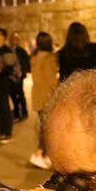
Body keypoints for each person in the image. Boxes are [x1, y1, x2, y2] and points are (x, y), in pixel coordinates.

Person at [28, 31, 59, 169]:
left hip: (37, 95)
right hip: (48, 96)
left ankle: (45, 155)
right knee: (47, 127)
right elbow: (51, 79)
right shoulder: (50, 58)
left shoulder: (34, 57)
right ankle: (38, 153)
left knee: (44, 124)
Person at [0, 27, 18, 143]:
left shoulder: (7, 50)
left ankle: (8, 133)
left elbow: (9, 68)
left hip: (4, 83)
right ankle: (2, 132)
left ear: (3, 37)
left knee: (5, 107)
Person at [9, 32, 31, 121]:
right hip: (11, 76)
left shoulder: (21, 51)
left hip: (19, 76)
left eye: (15, 39)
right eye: (12, 39)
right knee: (13, 95)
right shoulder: (9, 50)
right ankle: (17, 112)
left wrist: (23, 72)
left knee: (20, 94)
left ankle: (24, 112)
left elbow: (26, 62)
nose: (13, 41)